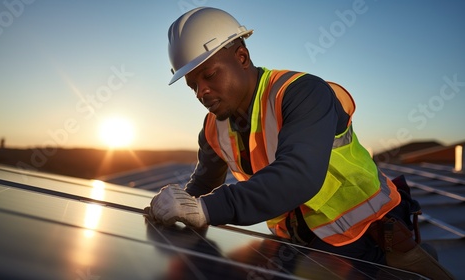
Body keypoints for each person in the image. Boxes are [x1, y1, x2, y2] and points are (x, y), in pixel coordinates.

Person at [145, 7, 455, 279]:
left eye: (209, 75)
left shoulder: (300, 93)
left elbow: (298, 175)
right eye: (193, 85)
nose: (202, 92)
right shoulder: (214, 127)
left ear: (241, 57)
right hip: (299, 247)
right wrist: (175, 204)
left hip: (369, 241)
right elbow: (203, 184)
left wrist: (205, 209)